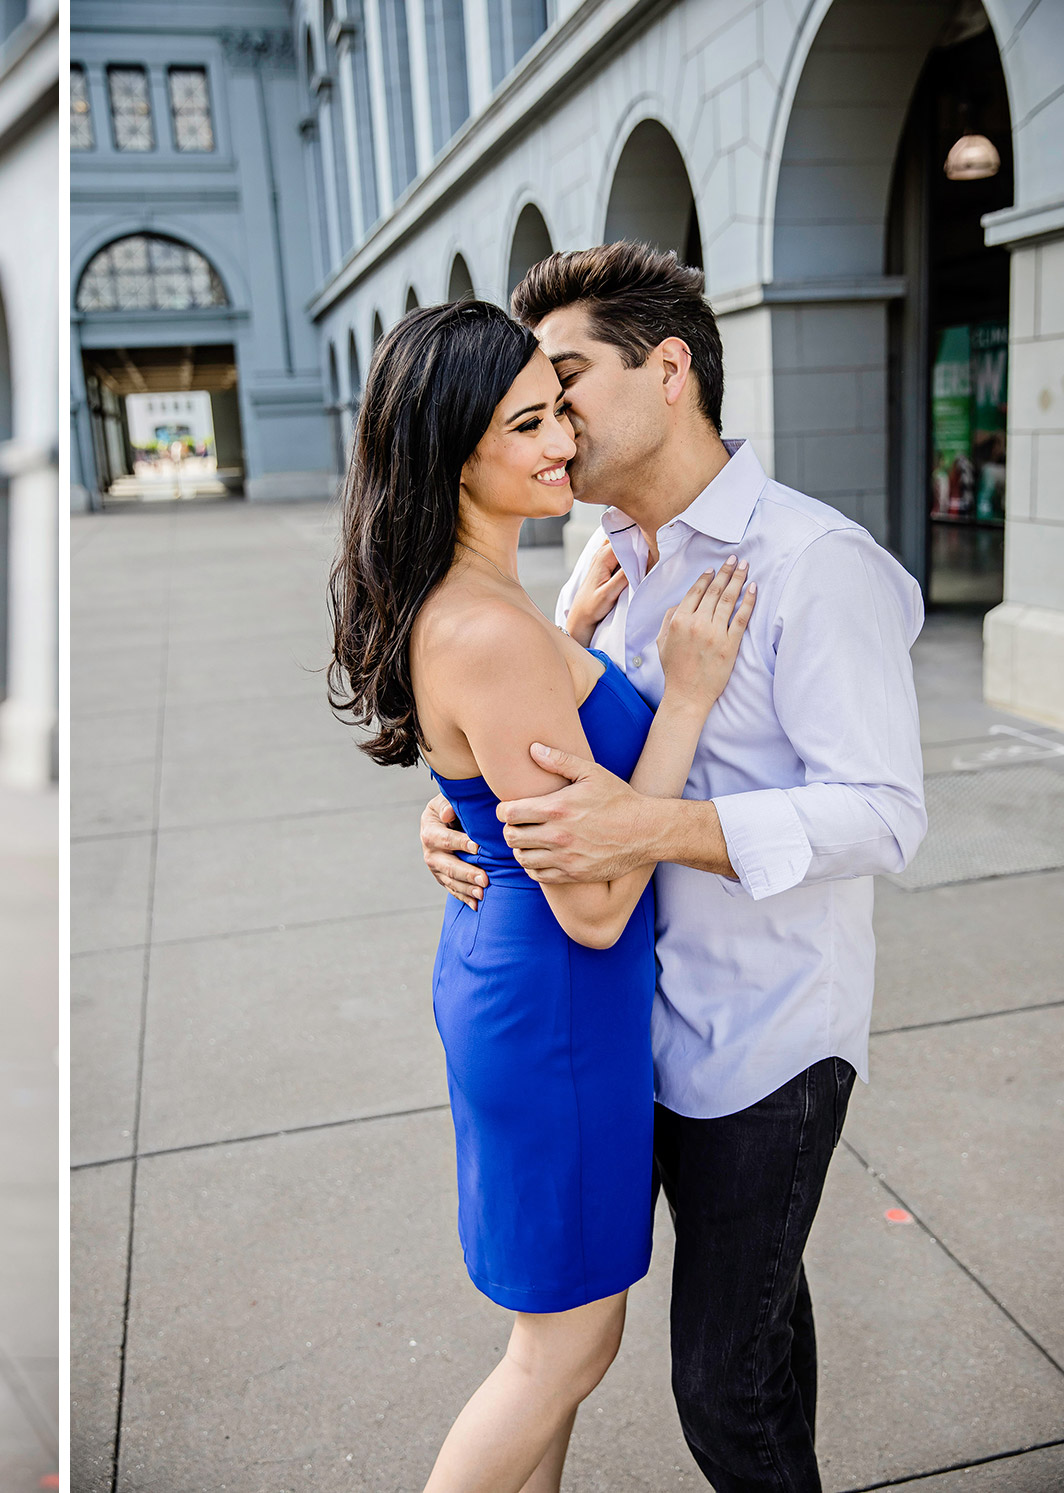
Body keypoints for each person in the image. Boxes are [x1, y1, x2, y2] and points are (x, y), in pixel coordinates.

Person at [418, 243, 926, 1490]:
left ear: (670, 368)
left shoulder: (812, 565)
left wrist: (647, 831)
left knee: (717, 1380)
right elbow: (537, 728)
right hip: (619, 1022)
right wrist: (460, 808)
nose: (554, 413)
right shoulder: (604, 559)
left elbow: (884, 815)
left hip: (762, 1035)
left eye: (570, 375)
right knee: (726, 1331)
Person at [329, 299, 754, 1492]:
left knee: (561, 1342)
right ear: (450, 452)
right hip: (561, 995)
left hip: (527, 983)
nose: (562, 439)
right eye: (526, 423)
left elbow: (497, 771)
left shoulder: (497, 605)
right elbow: (596, 904)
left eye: (558, 406)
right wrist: (681, 695)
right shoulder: (486, 631)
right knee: (561, 1349)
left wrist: (568, 635)